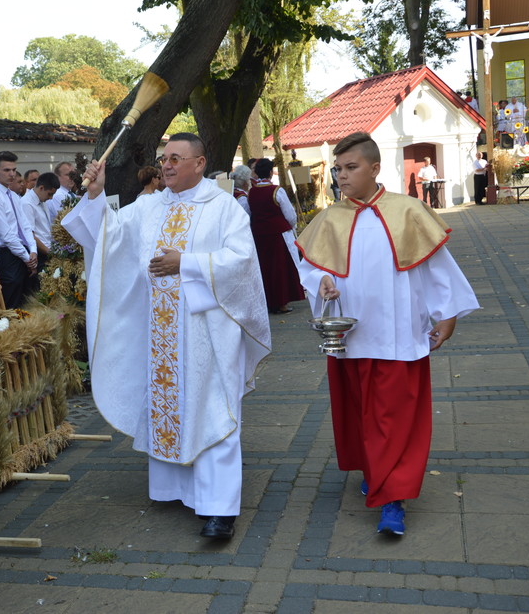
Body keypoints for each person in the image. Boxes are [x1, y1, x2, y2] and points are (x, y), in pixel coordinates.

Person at [62, 133, 272, 541]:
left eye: (177, 158)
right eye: (164, 159)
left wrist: (187, 263)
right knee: (172, 405)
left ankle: (219, 509)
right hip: (161, 335)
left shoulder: (223, 207)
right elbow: (110, 239)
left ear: (199, 162)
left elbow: (242, 262)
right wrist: (95, 195)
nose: (167, 165)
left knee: (214, 411)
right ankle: (177, 489)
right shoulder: (149, 205)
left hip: (208, 332)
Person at [296, 132, 478, 536]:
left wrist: (447, 314)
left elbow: (437, 267)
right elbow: (310, 269)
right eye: (338, 169)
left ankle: (393, 498)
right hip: (349, 337)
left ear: (375, 168)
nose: (341, 176)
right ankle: (375, 472)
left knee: (393, 418)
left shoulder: (408, 211)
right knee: (360, 412)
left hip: (398, 336)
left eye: (351, 167)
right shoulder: (329, 219)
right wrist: (322, 280)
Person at [0, 151, 38, 308]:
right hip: (8, 255)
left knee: (26, 302)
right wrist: (27, 258)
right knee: (12, 302)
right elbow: (6, 235)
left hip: (23, 251)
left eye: (13, 169)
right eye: (7, 170)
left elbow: (25, 226)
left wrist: (33, 250)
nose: (12, 174)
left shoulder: (13, 196)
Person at [249, 158, 304, 314]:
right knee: (279, 269)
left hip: (259, 235)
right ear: (270, 172)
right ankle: (281, 303)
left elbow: (250, 213)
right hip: (278, 235)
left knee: (265, 268)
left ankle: (268, 301)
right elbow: (290, 214)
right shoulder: (276, 190)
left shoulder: (251, 192)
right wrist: (291, 227)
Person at [23, 171, 58, 260]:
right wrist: (49, 252)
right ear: (41, 188)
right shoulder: (27, 203)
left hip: (48, 249)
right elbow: (30, 234)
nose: (51, 198)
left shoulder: (42, 200)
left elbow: (45, 229)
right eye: (50, 194)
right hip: (39, 253)